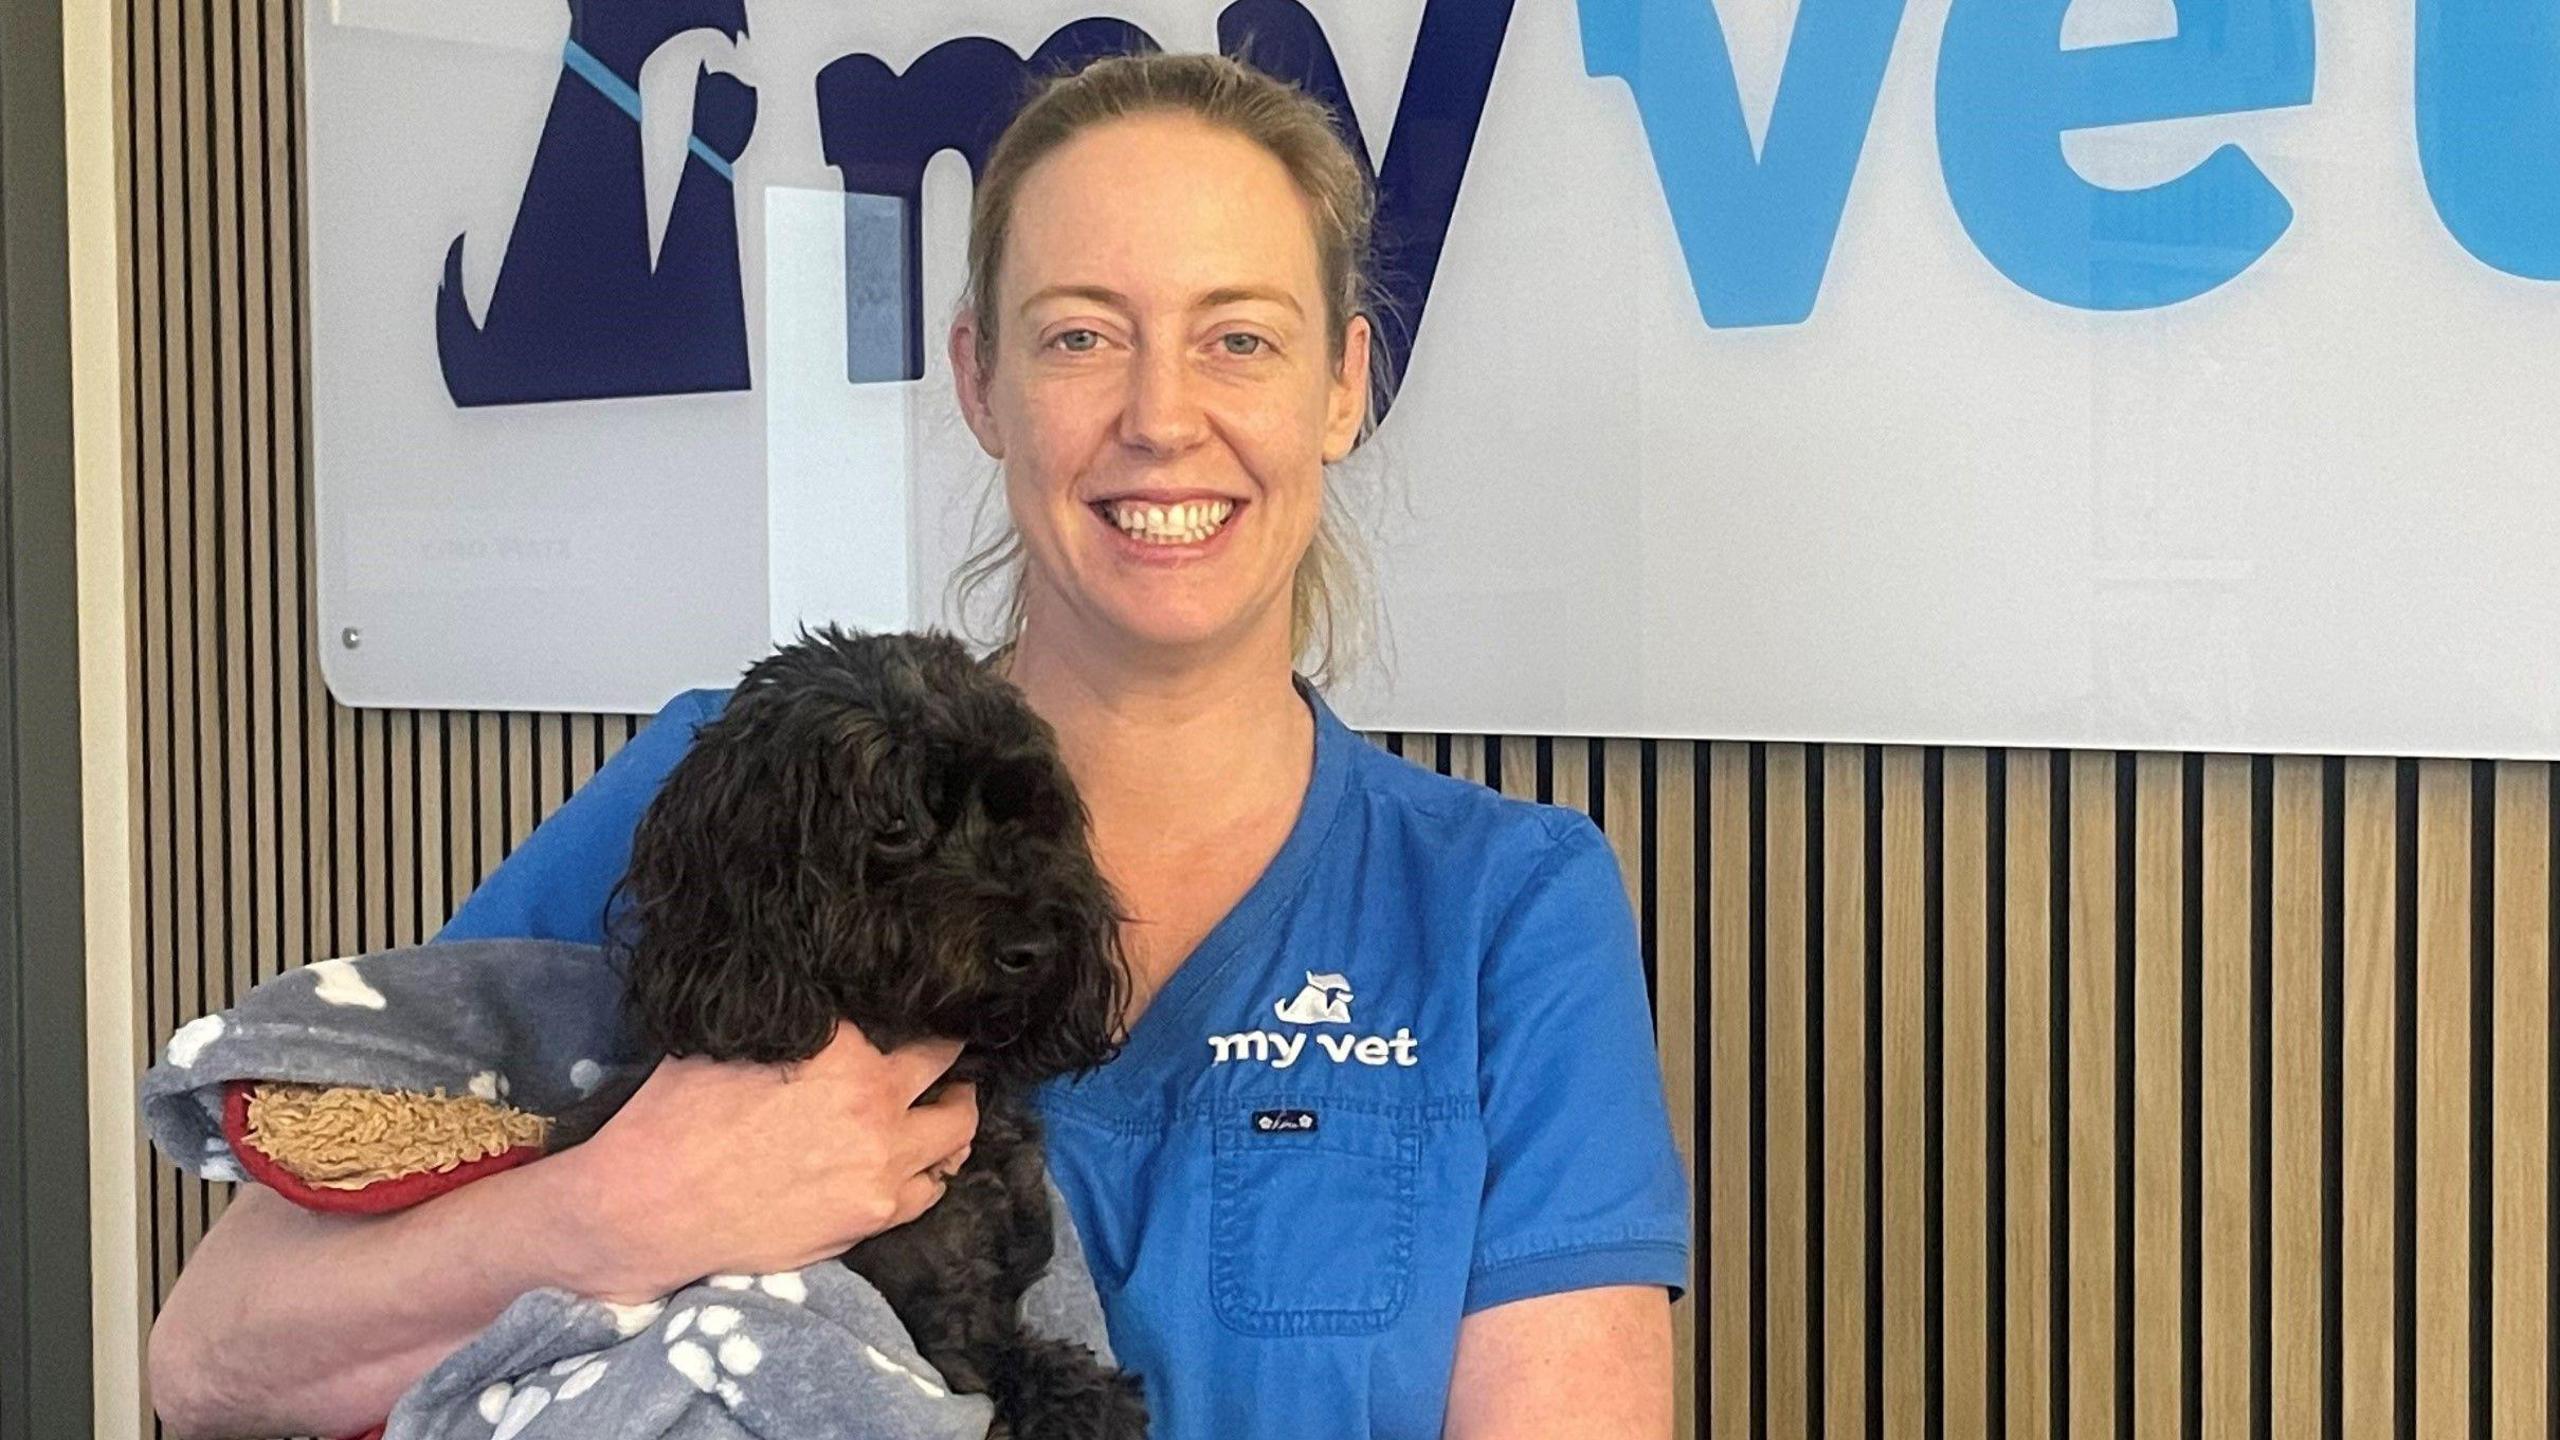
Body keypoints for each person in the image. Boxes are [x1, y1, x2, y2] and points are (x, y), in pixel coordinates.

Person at [149, 51, 1687, 1439]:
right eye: (1083, 335)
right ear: (978, 381)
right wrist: (621, 1208)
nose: (1162, 416)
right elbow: (213, 1361)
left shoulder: (1501, 910)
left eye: (1240, 340)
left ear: (1343, 387)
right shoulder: (741, 787)